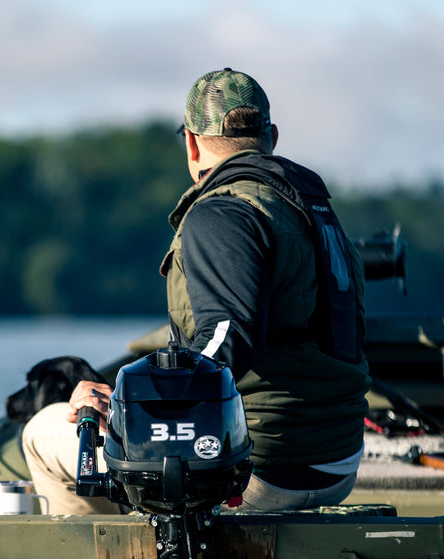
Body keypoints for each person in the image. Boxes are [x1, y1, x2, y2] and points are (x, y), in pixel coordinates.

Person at [22, 67, 370, 513]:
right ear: (272, 138)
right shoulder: (317, 212)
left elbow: (227, 338)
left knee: (41, 430)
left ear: (190, 142)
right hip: (337, 463)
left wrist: (125, 406)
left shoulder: (222, 214)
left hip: (258, 472)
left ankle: (124, 549)